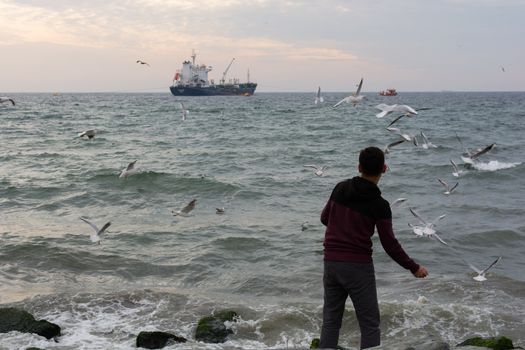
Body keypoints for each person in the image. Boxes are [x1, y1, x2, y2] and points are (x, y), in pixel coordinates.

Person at [319, 146, 428, 349]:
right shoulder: (380, 205)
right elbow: (389, 244)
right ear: (384, 169)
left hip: (331, 263)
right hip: (358, 268)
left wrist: (343, 228)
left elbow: (325, 218)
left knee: (331, 320)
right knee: (369, 324)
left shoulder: (340, 188)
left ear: (358, 167)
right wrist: (413, 267)